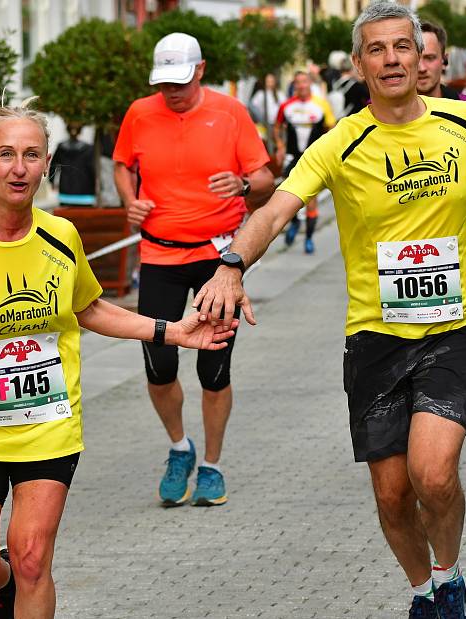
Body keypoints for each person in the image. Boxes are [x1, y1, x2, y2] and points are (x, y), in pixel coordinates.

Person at [193, 3, 466, 618]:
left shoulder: (463, 124)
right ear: (359, 64)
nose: (392, 59)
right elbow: (274, 211)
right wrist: (231, 264)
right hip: (374, 337)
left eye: (402, 47)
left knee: (434, 475)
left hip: (451, 328)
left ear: (421, 54)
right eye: (376, 50)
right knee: (392, 494)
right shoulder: (340, 143)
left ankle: (449, 577)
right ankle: (423, 592)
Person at [0, 97, 237, 619]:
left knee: (32, 560)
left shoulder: (61, 235)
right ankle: (0, 590)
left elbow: (90, 308)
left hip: (49, 424)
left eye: (31, 155)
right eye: (5, 154)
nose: (18, 168)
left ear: (46, 163)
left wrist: (173, 333)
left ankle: (19, 585)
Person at [113, 32, 274, 507]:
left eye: (180, 82)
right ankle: (180, 447)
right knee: (158, 364)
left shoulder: (230, 112)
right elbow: (123, 164)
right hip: (159, 254)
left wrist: (243, 184)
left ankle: (212, 466)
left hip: (216, 260)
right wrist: (130, 200)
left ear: (200, 70)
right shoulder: (140, 113)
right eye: (164, 84)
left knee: (213, 368)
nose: (172, 92)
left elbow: (266, 181)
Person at [274, 71, 336, 253]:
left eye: (304, 82)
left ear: (310, 84)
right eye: (298, 82)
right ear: (294, 85)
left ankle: (308, 238)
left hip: (313, 158)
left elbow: (331, 130)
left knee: (311, 200)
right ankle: (294, 222)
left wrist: (327, 151)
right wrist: (279, 145)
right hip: (292, 157)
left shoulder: (321, 105)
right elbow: (277, 127)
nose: (301, 86)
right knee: (288, 196)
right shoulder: (287, 106)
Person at [418, 21, 466, 116]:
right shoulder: (391, 112)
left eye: (430, 58)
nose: (422, 68)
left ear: (444, 60)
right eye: (415, 59)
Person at [48, 123, 96, 205]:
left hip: (65, 192)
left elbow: (53, 166)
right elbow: (92, 169)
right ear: (80, 132)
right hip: (85, 193)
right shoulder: (89, 149)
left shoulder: (61, 147)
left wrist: (52, 182)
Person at [248, 73, 286, 153]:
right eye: (268, 81)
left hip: (277, 124)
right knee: (269, 144)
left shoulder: (279, 94)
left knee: (278, 143)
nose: (270, 83)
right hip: (266, 124)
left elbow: (284, 107)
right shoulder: (260, 94)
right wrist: (260, 118)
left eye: (271, 81)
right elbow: (252, 106)